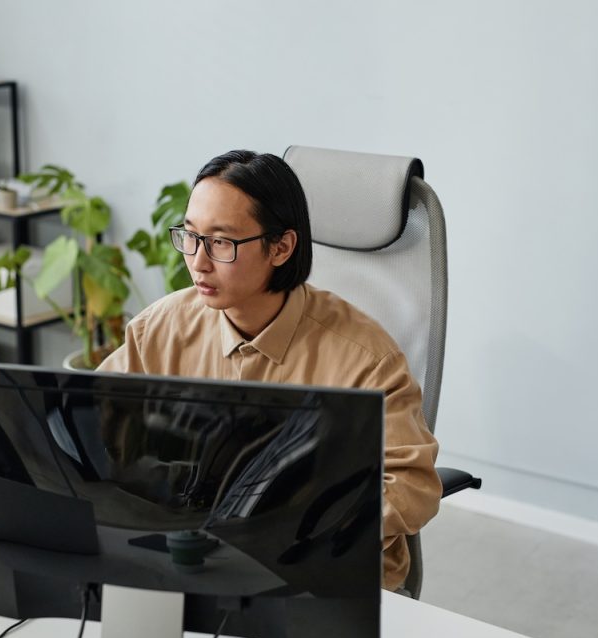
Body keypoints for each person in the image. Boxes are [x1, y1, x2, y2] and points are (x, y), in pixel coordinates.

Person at [98, 149, 441, 592]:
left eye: (221, 242)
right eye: (190, 235)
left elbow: (411, 484)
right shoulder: (160, 327)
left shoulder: (363, 357)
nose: (198, 262)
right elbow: (96, 425)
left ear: (281, 247)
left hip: (316, 575)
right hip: (191, 558)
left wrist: (305, 529)